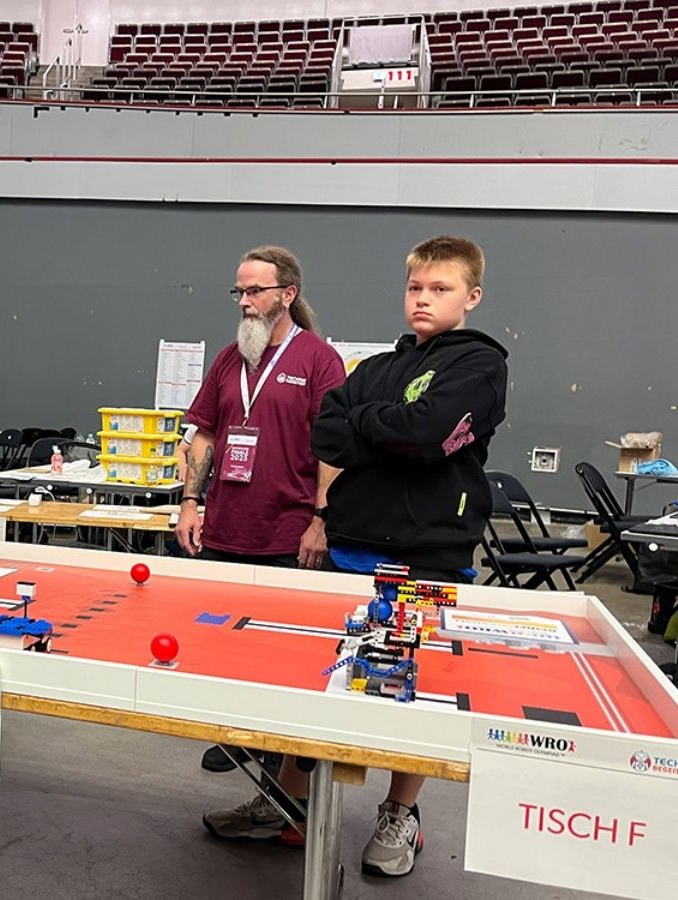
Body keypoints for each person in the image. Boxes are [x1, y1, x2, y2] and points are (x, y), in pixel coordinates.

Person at [204, 236, 508, 880]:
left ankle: (400, 813)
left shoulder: (480, 366)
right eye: (415, 288)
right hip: (351, 548)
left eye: (440, 289)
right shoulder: (373, 367)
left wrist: (380, 427)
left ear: (471, 297)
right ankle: (289, 804)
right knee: (323, 678)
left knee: (409, 688)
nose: (423, 300)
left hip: (429, 554)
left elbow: (428, 436)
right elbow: (329, 432)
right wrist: (389, 423)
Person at [175, 245, 345, 773]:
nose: (244, 302)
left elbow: (333, 450)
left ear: (287, 294)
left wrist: (322, 519)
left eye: (255, 291)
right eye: (239, 292)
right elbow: (204, 435)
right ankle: (236, 729)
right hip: (225, 529)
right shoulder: (229, 360)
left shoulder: (319, 359)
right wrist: (189, 502)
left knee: (281, 652)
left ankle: (275, 747)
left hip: (286, 532)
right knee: (222, 644)